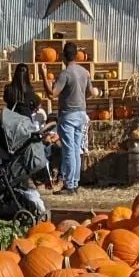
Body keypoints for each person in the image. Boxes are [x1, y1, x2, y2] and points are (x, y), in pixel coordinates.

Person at [46, 42, 91, 193]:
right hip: (82, 114)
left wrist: (43, 77)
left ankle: (69, 185)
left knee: (69, 150)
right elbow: (90, 92)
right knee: (77, 149)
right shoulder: (84, 72)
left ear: (64, 56)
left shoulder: (65, 74)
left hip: (68, 115)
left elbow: (52, 94)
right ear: (76, 54)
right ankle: (75, 182)